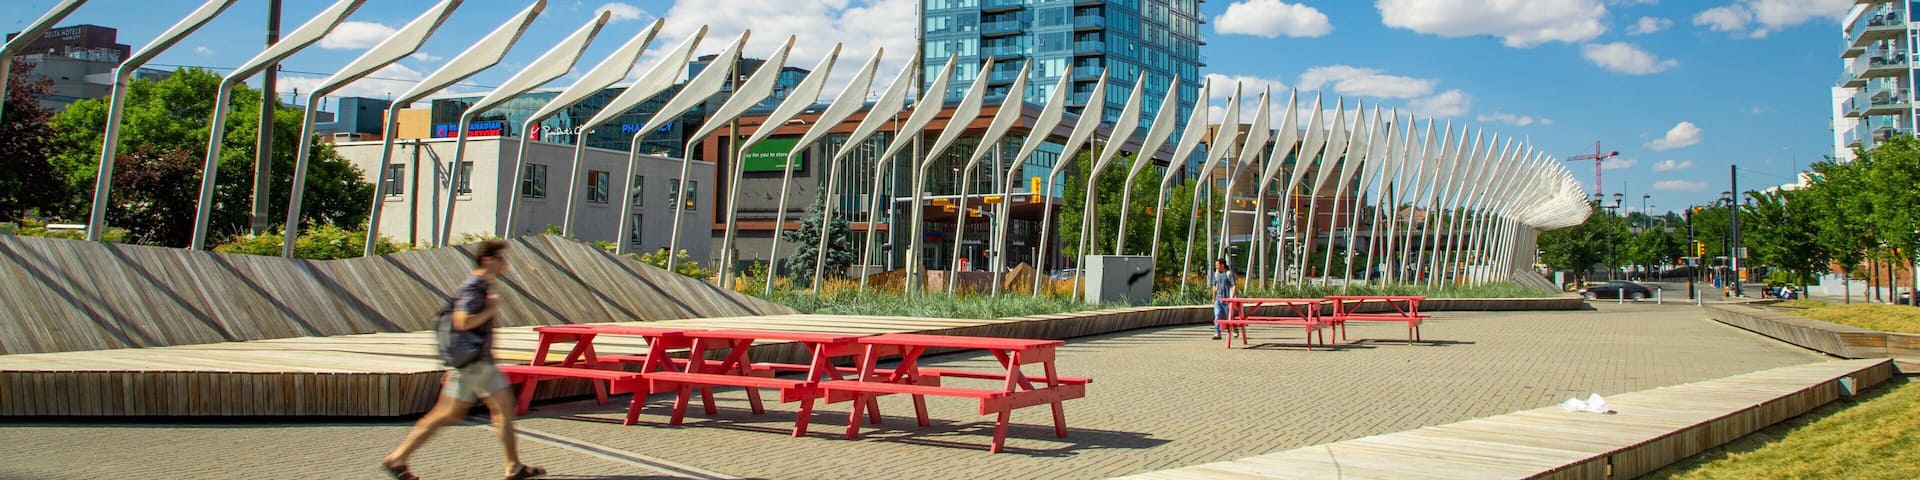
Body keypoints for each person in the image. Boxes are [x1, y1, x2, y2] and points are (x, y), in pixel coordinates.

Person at [384, 240, 546, 480]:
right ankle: (397, 457)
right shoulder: (474, 288)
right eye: (501, 259)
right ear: (487, 260)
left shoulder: (481, 286)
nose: (505, 264)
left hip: (477, 364)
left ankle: (513, 466)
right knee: (453, 413)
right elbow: (462, 322)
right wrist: (491, 309)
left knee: (478, 410)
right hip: (475, 365)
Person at [1211, 259, 1237, 340]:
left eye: (1217, 265)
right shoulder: (1216, 274)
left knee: (1229, 316)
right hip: (1218, 299)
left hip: (1227, 299)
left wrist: (1232, 297)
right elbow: (1214, 287)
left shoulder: (1229, 274)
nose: (1216, 267)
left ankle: (1234, 329)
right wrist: (1213, 298)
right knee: (1217, 315)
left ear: (1222, 265)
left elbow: (1234, 285)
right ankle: (1217, 333)